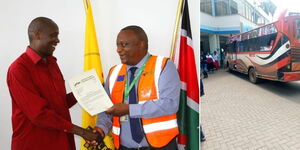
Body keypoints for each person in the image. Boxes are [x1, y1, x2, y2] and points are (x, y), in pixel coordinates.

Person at [6, 17, 101, 150]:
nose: (57, 40)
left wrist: (86, 91)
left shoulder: (51, 63)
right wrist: (83, 132)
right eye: (53, 35)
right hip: (35, 144)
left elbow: (59, 105)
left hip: (62, 142)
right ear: (38, 34)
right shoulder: (19, 69)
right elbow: (39, 114)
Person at [93, 25, 180, 150]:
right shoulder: (114, 72)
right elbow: (106, 108)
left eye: (124, 44)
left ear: (141, 44)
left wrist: (130, 109)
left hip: (161, 146)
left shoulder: (163, 66)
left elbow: (170, 104)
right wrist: (101, 128)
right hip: (124, 147)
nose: (118, 49)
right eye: (117, 45)